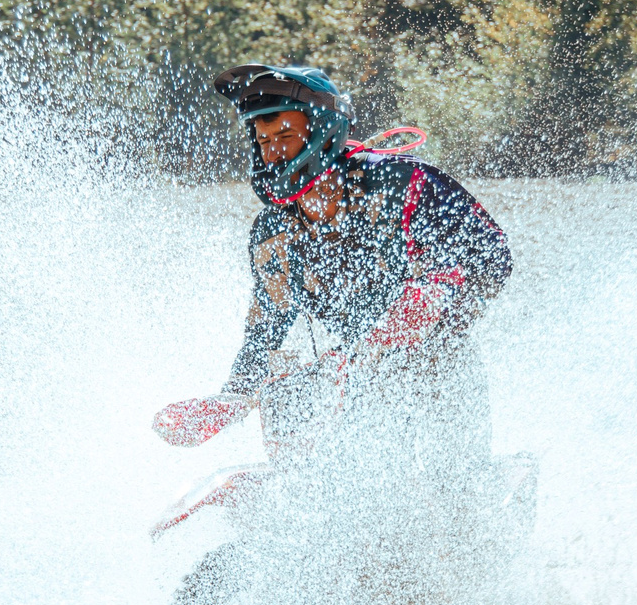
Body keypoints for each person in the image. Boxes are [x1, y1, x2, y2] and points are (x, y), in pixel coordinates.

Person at [210, 63, 512, 494]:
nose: (272, 152)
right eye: (263, 141)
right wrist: (232, 397)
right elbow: (267, 324)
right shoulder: (271, 232)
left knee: (449, 483)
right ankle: (300, 508)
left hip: (438, 361)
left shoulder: (400, 182)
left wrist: (435, 296)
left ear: (322, 130)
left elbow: (492, 255)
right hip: (355, 375)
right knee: (296, 404)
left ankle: (469, 496)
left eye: (285, 136)